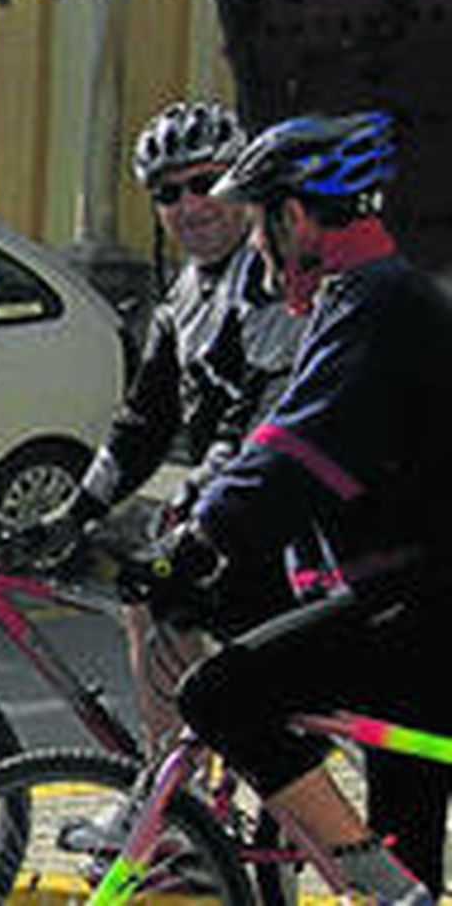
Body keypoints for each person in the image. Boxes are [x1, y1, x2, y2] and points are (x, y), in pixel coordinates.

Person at [150, 111, 452, 902]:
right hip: (411, 598)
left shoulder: (373, 305)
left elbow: (297, 452)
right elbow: (286, 450)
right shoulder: (382, 294)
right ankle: (396, 883)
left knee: (220, 694)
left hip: (414, 606)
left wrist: (198, 539)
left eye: (258, 222)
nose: (255, 245)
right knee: (408, 829)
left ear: (292, 217)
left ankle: (384, 886)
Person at [39, 100, 305, 749]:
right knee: (155, 613)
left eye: (206, 182)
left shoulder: (269, 275)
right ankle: (178, 804)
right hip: (238, 510)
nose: (191, 205)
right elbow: (144, 422)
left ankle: (193, 809)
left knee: (205, 646)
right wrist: (75, 511)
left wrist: (188, 506)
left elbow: (257, 416)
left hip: (293, 518)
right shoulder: (187, 292)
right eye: (168, 193)